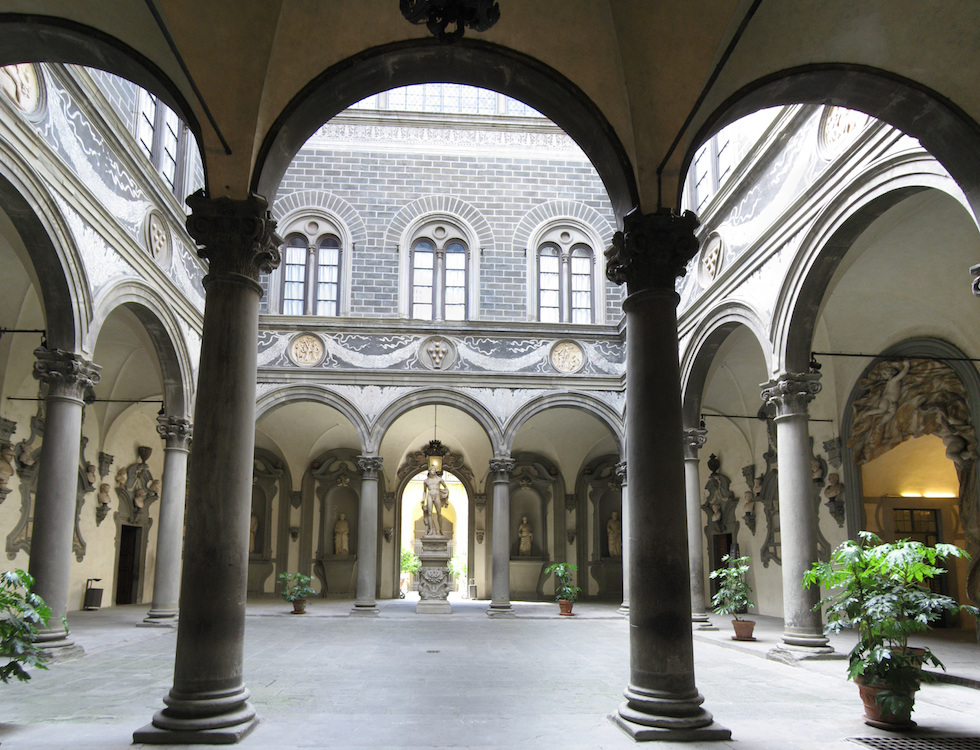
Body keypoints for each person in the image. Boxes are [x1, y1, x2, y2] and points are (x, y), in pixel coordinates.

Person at [421, 467, 448, 536]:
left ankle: (441, 530)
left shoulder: (439, 479)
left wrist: (446, 497)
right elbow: (424, 491)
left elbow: (446, 487)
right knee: (429, 513)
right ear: (429, 471)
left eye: (434, 470)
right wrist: (423, 500)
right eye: (432, 470)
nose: (433, 471)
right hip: (429, 495)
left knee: (439, 513)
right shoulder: (426, 481)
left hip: (437, 495)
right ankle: (431, 530)